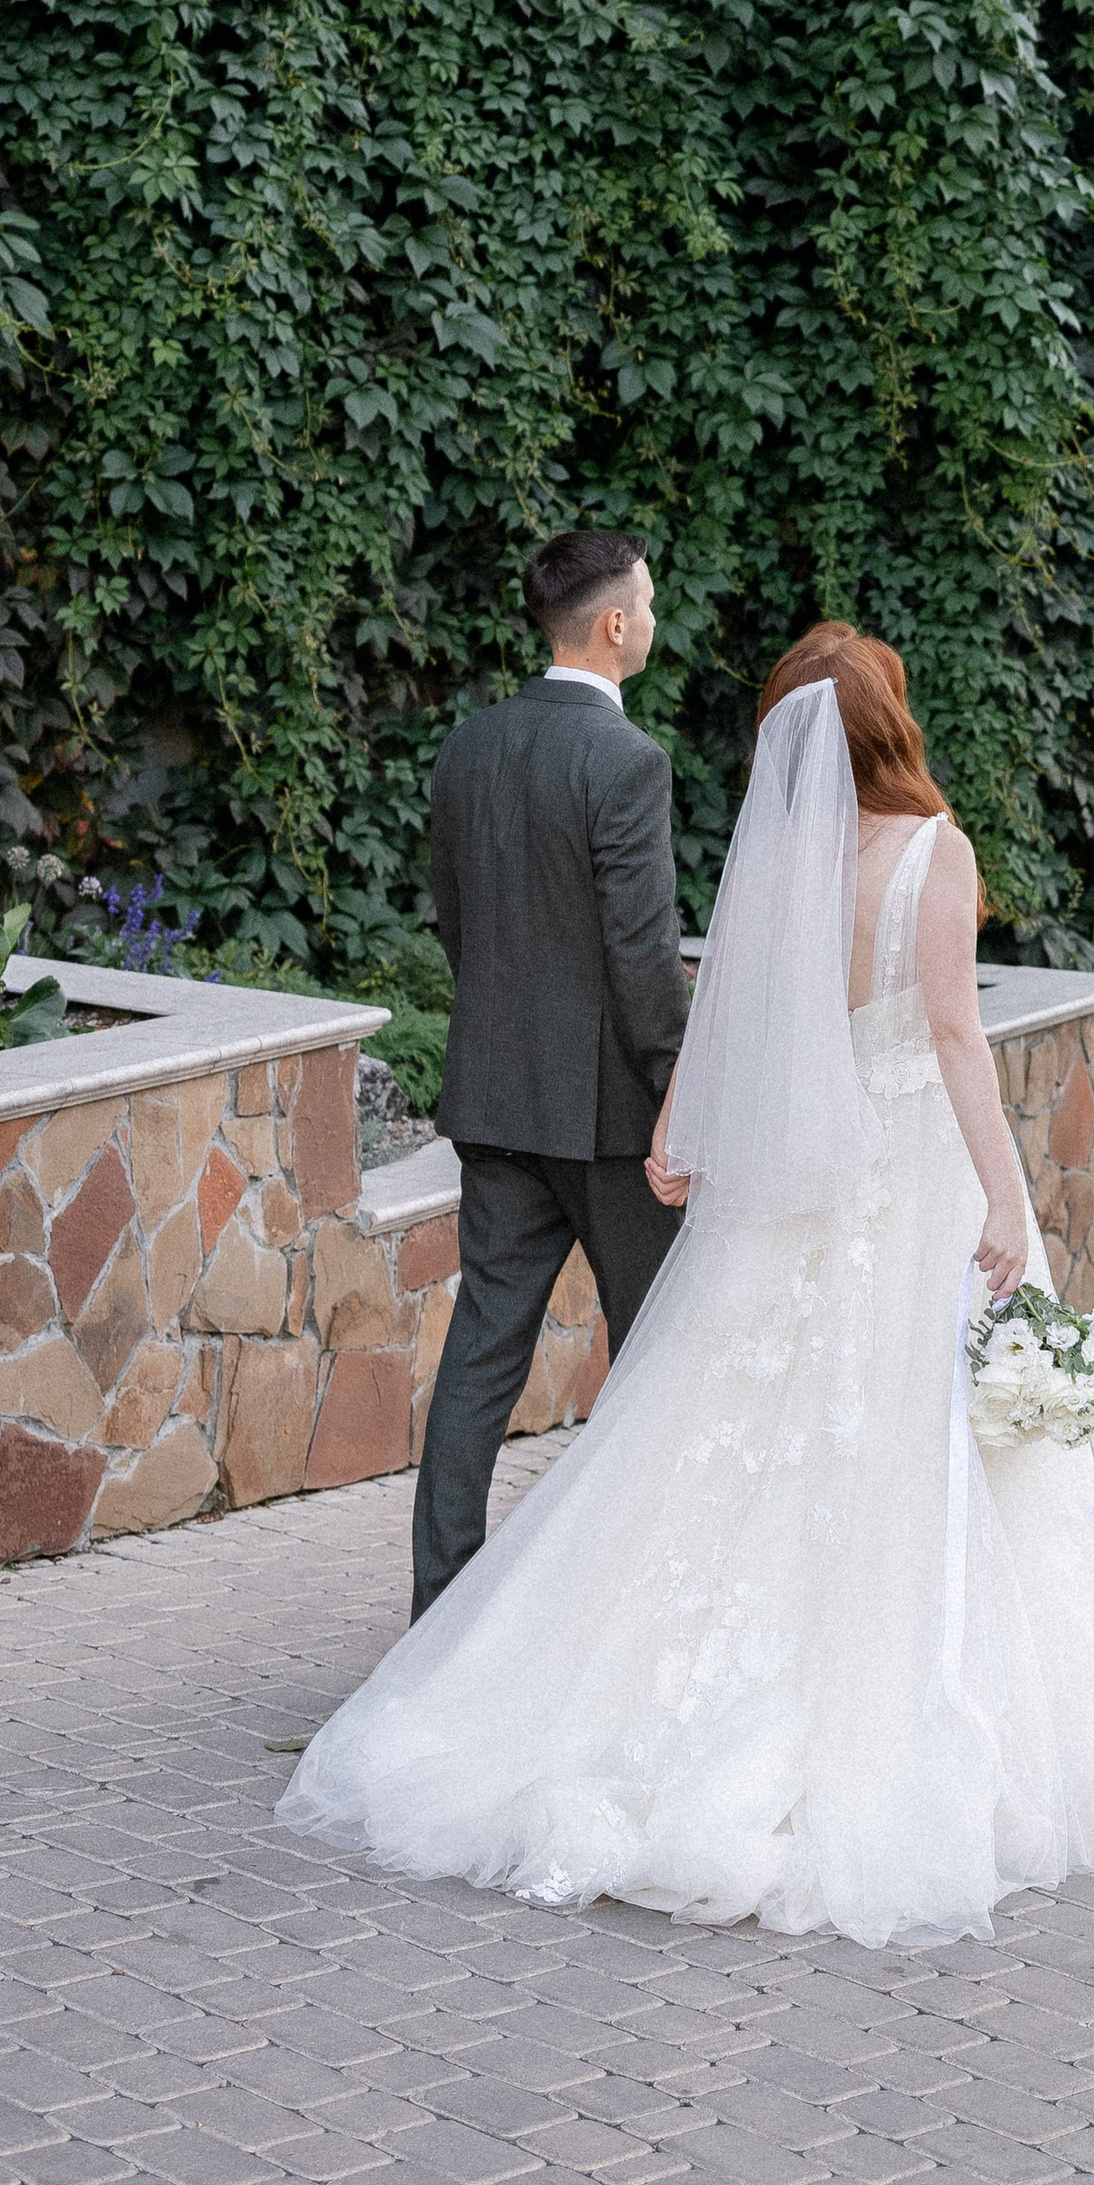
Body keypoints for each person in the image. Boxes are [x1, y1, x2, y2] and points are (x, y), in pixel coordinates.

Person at [281, 622, 1094, 1945]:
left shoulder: (785, 857)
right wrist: (1006, 1195)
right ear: (896, 723)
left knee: (720, 1439)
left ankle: (604, 1709)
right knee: (902, 1444)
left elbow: (722, 1003)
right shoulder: (935, 853)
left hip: (792, 1198)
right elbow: (952, 1032)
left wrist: (675, 1134)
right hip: (905, 1180)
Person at [409, 528, 692, 1623]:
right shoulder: (627, 762)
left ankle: (438, 1617)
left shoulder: (469, 746)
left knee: (480, 1358)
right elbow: (640, 953)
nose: (655, 620)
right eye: (650, 603)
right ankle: (633, 1617)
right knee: (655, 1354)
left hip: (497, 1101)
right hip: (615, 1121)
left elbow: (459, 921)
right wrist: (679, 1088)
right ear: (614, 626)